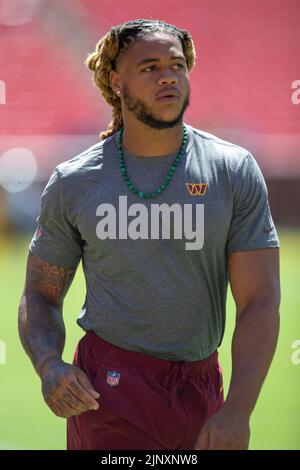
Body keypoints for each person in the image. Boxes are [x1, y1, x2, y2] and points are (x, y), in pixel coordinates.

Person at [18, 19, 280, 450]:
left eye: (177, 66)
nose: (167, 77)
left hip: (200, 385)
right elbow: (40, 293)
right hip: (109, 388)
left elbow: (260, 299)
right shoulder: (75, 181)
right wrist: (48, 364)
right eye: (150, 67)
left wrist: (238, 410)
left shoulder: (233, 170)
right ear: (116, 82)